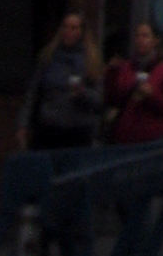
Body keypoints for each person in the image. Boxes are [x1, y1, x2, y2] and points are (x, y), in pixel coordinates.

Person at [20, 13, 102, 153]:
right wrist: (23, 124)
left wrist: (83, 93)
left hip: (78, 131)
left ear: (81, 32)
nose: (68, 32)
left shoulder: (91, 61)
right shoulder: (48, 57)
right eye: (65, 27)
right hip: (49, 127)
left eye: (74, 28)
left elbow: (99, 100)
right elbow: (32, 93)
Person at [105, 23, 163, 145]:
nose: (140, 40)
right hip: (124, 136)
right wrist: (111, 74)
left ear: (155, 41)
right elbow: (113, 97)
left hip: (151, 137)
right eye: (137, 36)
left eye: (145, 36)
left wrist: (152, 95)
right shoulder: (125, 67)